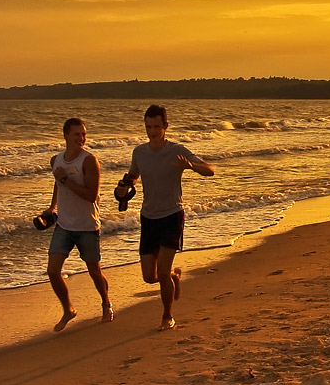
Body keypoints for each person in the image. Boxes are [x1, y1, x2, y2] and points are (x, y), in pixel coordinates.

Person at [116, 105, 215, 330]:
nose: (152, 131)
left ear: (165, 127)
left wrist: (190, 166)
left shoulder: (177, 150)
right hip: (148, 217)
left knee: (161, 272)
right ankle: (174, 277)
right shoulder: (139, 152)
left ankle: (167, 316)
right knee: (149, 277)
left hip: (172, 215)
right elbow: (133, 175)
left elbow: (209, 170)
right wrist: (124, 187)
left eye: (156, 127)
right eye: (148, 127)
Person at [46, 118, 112, 331]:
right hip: (64, 225)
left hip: (87, 226)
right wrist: (52, 207)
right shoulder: (55, 160)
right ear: (66, 135)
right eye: (77, 134)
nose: (82, 139)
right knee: (53, 271)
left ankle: (106, 303)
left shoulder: (89, 161)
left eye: (83, 134)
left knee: (94, 270)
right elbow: (58, 185)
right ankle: (68, 309)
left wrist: (66, 180)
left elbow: (91, 195)